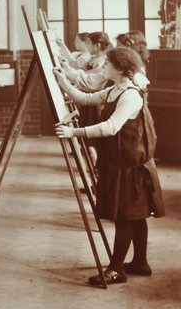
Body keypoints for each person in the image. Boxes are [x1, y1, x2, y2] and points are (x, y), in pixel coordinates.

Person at [55, 47, 165, 285]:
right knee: (136, 216)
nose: (103, 67)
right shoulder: (117, 89)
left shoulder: (130, 95)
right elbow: (84, 98)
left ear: (121, 69)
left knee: (126, 216)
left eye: (108, 65)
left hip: (131, 167)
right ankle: (140, 263)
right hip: (123, 164)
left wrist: (74, 132)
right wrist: (62, 81)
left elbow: (110, 127)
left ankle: (116, 270)